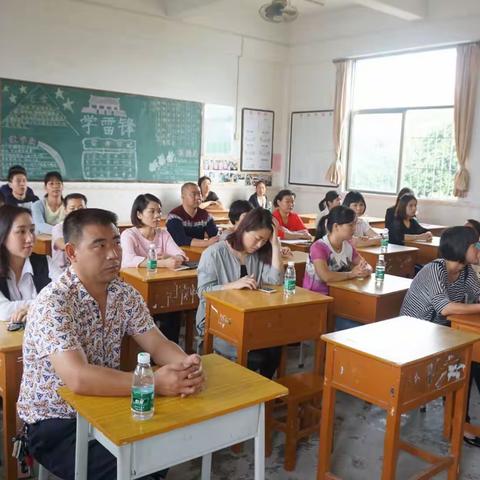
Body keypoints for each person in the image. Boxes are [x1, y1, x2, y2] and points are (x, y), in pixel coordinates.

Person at [17, 208, 204, 480]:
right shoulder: (54, 302)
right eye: (99, 245)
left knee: (165, 446)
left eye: (116, 242)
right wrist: (155, 382)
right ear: (71, 253)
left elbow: (156, 342)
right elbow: (78, 378)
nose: (114, 254)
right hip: (56, 422)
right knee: (136, 465)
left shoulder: (124, 293)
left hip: (106, 406)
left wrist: (186, 366)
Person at [400, 226, 480, 447]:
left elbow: (479, 294)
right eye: (476, 245)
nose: (479, 250)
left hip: (440, 332)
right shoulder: (434, 270)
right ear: (461, 248)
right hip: (415, 333)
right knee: (465, 359)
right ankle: (459, 423)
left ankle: (459, 421)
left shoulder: (465, 270)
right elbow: (445, 308)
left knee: (475, 357)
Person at [196, 208, 284, 378]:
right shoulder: (214, 253)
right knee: (255, 355)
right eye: (257, 239)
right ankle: (245, 389)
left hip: (251, 317)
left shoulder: (259, 254)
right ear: (244, 229)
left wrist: (274, 244)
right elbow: (203, 292)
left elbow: (276, 281)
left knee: (274, 347)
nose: (259, 245)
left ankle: (261, 392)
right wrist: (232, 285)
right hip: (218, 320)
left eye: (264, 241)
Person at [121, 194, 187, 343]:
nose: (157, 216)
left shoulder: (163, 233)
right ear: (139, 214)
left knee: (173, 310)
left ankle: (169, 353)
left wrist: (176, 258)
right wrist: (162, 262)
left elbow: (180, 254)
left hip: (162, 288)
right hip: (136, 290)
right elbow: (128, 260)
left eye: (159, 211)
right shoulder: (129, 234)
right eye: (152, 211)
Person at [303, 206, 372, 330]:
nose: (354, 229)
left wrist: (365, 270)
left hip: (340, 297)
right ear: (336, 226)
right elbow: (325, 276)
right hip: (320, 300)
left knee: (368, 318)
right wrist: (352, 274)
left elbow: (367, 265)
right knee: (357, 326)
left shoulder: (347, 245)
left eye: (355, 224)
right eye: (350, 225)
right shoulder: (319, 247)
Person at [0, 205, 50, 324]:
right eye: (21, 231)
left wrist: (31, 309)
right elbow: (2, 310)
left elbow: (67, 296)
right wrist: (41, 306)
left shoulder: (45, 262)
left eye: (32, 230)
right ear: (3, 234)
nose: (30, 238)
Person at [166, 182, 219, 247]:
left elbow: (214, 234)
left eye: (199, 194)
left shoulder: (205, 215)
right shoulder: (174, 216)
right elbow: (180, 240)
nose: (198, 197)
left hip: (198, 252)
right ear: (183, 197)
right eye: (193, 194)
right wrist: (206, 243)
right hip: (178, 254)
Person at [50, 193, 87, 279]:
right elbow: (63, 245)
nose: (76, 211)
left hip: (83, 270)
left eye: (80, 208)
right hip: (61, 272)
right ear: (65, 210)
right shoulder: (58, 228)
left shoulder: (88, 228)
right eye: (72, 208)